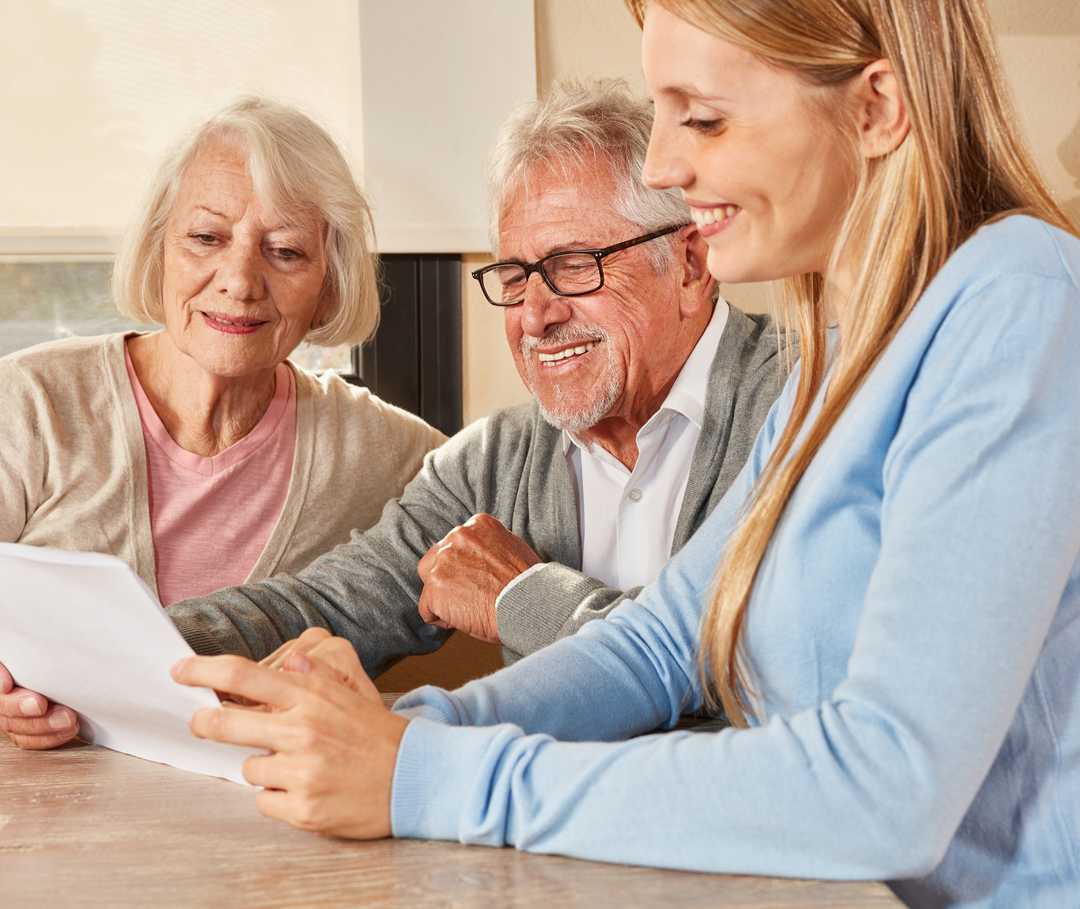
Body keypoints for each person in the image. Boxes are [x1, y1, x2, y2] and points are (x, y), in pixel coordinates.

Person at [173, 1, 1080, 906]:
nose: (665, 165)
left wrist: (435, 774)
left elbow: (887, 786)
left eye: (706, 118)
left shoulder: (1016, 298)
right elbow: (658, 644)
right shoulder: (842, 364)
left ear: (877, 108)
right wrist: (409, 729)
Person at [165, 80, 786, 675]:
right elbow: (325, 609)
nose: (535, 316)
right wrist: (113, 653)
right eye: (516, 276)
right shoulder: (495, 461)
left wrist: (525, 597)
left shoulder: (814, 401)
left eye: (574, 265)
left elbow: (769, 667)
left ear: (689, 265)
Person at [0, 97, 445, 750]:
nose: (239, 280)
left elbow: (514, 511)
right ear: (158, 252)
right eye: (206, 238)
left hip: (276, 825)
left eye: (286, 251)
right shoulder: (30, 404)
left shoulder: (384, 452)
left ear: (330, 282)